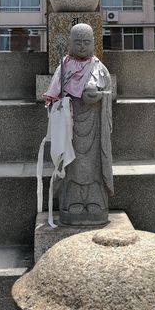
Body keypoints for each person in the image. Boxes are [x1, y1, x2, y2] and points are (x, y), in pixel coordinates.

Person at [43, 23, 113, 226]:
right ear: (70, 43)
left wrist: (99, 97)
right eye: (78, 42)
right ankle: (71, 202)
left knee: (94, 166)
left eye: (86, 42)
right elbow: (53, 97)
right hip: (70, 126)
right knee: (71, 165)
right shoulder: (64, 68)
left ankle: (96, 202)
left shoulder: (99, 68)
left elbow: (108, 92)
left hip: (94, 126)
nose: (82, 46)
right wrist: (64, 101)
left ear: (94, 43)